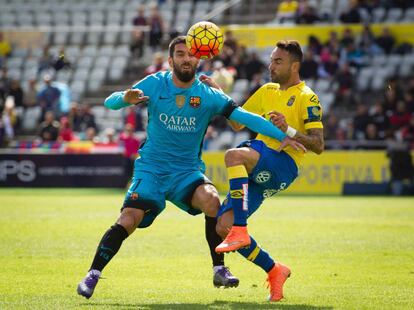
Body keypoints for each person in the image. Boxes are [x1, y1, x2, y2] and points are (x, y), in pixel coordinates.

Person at [77, 36, 304, 299]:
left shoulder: (207, 94)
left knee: (211, 201)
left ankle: (219, 269)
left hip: (186, 172)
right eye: (181, 54)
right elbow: (110, 102)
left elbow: (244, 117)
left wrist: (282, 135)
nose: (187, 59)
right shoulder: (155, 83)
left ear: (198, 59)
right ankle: (93, 274)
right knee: (129, 219)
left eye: (191, 55)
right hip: (152, 169)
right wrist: (123, 98)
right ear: (171, 60)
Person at [214, 40, 324, 302]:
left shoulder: (307, 96)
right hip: (262, 164)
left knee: (233, 155)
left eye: (278, 61)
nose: (271, 65)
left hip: (284, 164)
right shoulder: (266, 91)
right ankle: (275, 270)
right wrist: (219, 92)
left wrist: (289, 130)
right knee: (222, 226)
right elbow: (236, 124)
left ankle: (241, 228)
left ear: (294, 66)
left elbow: (318, 145)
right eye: (271, 60)